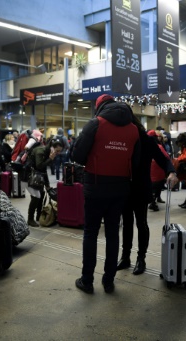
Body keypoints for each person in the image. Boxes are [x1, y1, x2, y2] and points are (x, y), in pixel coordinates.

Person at [71, 94, 140, 294]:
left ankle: (87, 281)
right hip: (120, 189)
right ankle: (108, 281)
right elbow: (135, 163)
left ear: (99, 107)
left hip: (95, 186)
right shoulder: (134, 129)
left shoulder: (95, 124)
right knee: (112, 235)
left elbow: (77, 155)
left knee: (90, 234)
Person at [118, 123, 177, 276]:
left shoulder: (146, 140)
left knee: (141, 223)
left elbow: (163, 159)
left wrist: (171, 172)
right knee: (127, 223)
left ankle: (141, 258)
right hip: (125, 187)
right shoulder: (122, 139)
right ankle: (125, 257)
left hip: (141, 188)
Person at [27, 138, 63, 227]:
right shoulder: (41, 151)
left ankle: (38, 215)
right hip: (29, 176)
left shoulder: (48, 152)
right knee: (36, 197)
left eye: (59, 151)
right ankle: (30, 219)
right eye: (57, 151)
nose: (58, 153)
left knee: (42, 194)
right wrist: (50, 159)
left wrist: (47, 185)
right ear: (52, 147)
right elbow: (39, 166)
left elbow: (44, 170)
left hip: (37, 176)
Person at [147, 130, 172, 211]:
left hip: (149, 169)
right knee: (157, 186)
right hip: (158, 169)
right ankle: (153, 203)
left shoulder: (144, 145)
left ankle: (151, 201)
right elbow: (166, 157)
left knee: (152, 186)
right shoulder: (159, 146)